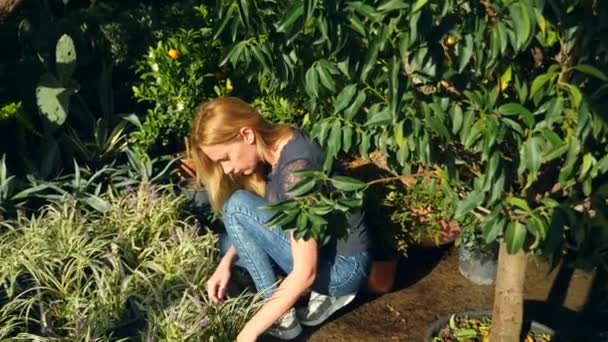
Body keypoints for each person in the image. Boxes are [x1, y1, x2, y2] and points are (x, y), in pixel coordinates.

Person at [189, 97, 370, 341]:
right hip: (327, 253)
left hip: (342, 269)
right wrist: (226, 264)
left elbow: (306, 272)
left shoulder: (295, 169)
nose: (227, 169)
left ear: (246, 134)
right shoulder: (281, 144)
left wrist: (248, 333)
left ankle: (281, 318)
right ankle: (283, 306)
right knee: (227, 243)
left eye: (225, 157)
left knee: (237, 207)